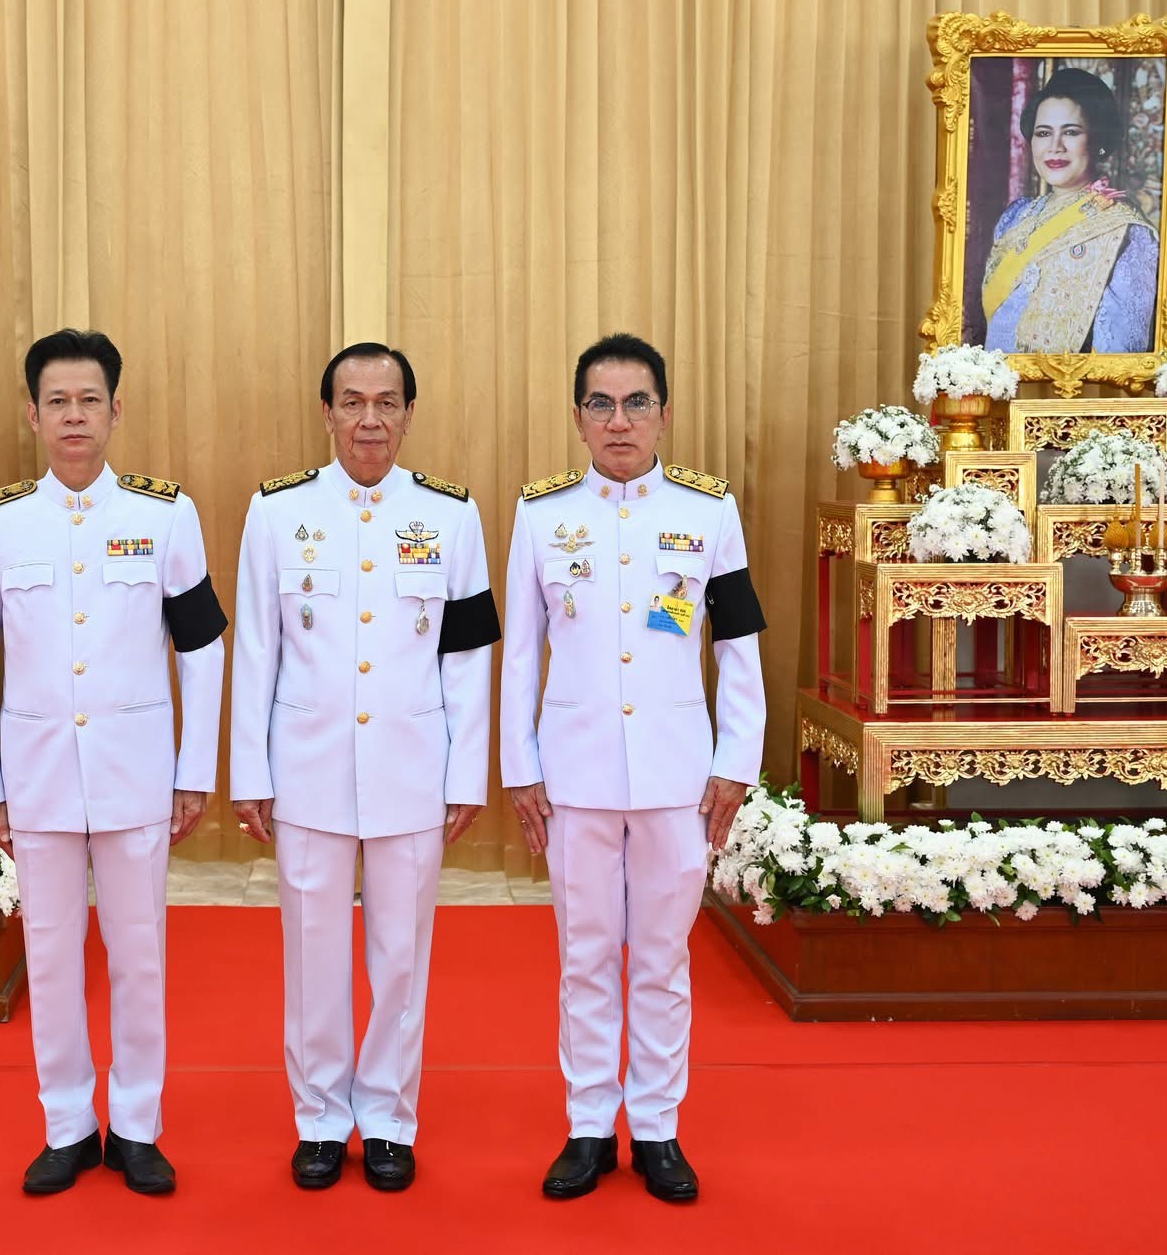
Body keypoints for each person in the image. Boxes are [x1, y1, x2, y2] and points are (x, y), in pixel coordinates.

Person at [0, 329, 228, 1197]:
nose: (75, 416)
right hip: (34, 776)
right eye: (58, 402)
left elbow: (203, 648)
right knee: (49, 951)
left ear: (117, 410)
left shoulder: (163, 514)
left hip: (135, 773)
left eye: (91, 400)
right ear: (33, 414)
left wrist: (194, 769)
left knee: (138, 952)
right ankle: (68, 1124)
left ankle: (139, 1124)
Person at [499, 333, 765, 1203]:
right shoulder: (541, 516)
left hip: (675, 778)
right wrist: (520, 767)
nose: (620, 421)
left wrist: (735, 760)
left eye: (636, 402)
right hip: (573, 777)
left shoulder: (708, 511)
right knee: (582, 956)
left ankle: (656, 1126)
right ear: (578, 417)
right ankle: (586, 1124)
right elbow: (521, 656)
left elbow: (738, 647)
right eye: (602, 404)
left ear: (664, 414)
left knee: (659, 956)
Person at [229, 342, 500, 1192]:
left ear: (409, 414)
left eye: (387, 402)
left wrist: (465, 776)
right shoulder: (277, 512)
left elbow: (468, 657)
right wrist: (250, 771)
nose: (370, 419)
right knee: (312, 952)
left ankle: (384, 1115)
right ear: (327, 413)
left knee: (400, 953)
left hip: (412, 764)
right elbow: (258, 648)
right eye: (353, 402)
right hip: (306, 764)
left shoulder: (453, 516)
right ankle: (318, 1118)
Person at [979, 66, 1159, 354]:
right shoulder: (1015, 217)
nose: (1054, 146)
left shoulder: (1126, 231)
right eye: (1043, 133)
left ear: (1097, 141)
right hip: (1000, 391)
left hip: (1068, 395)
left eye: (1071, 132)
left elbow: (1119, 356)